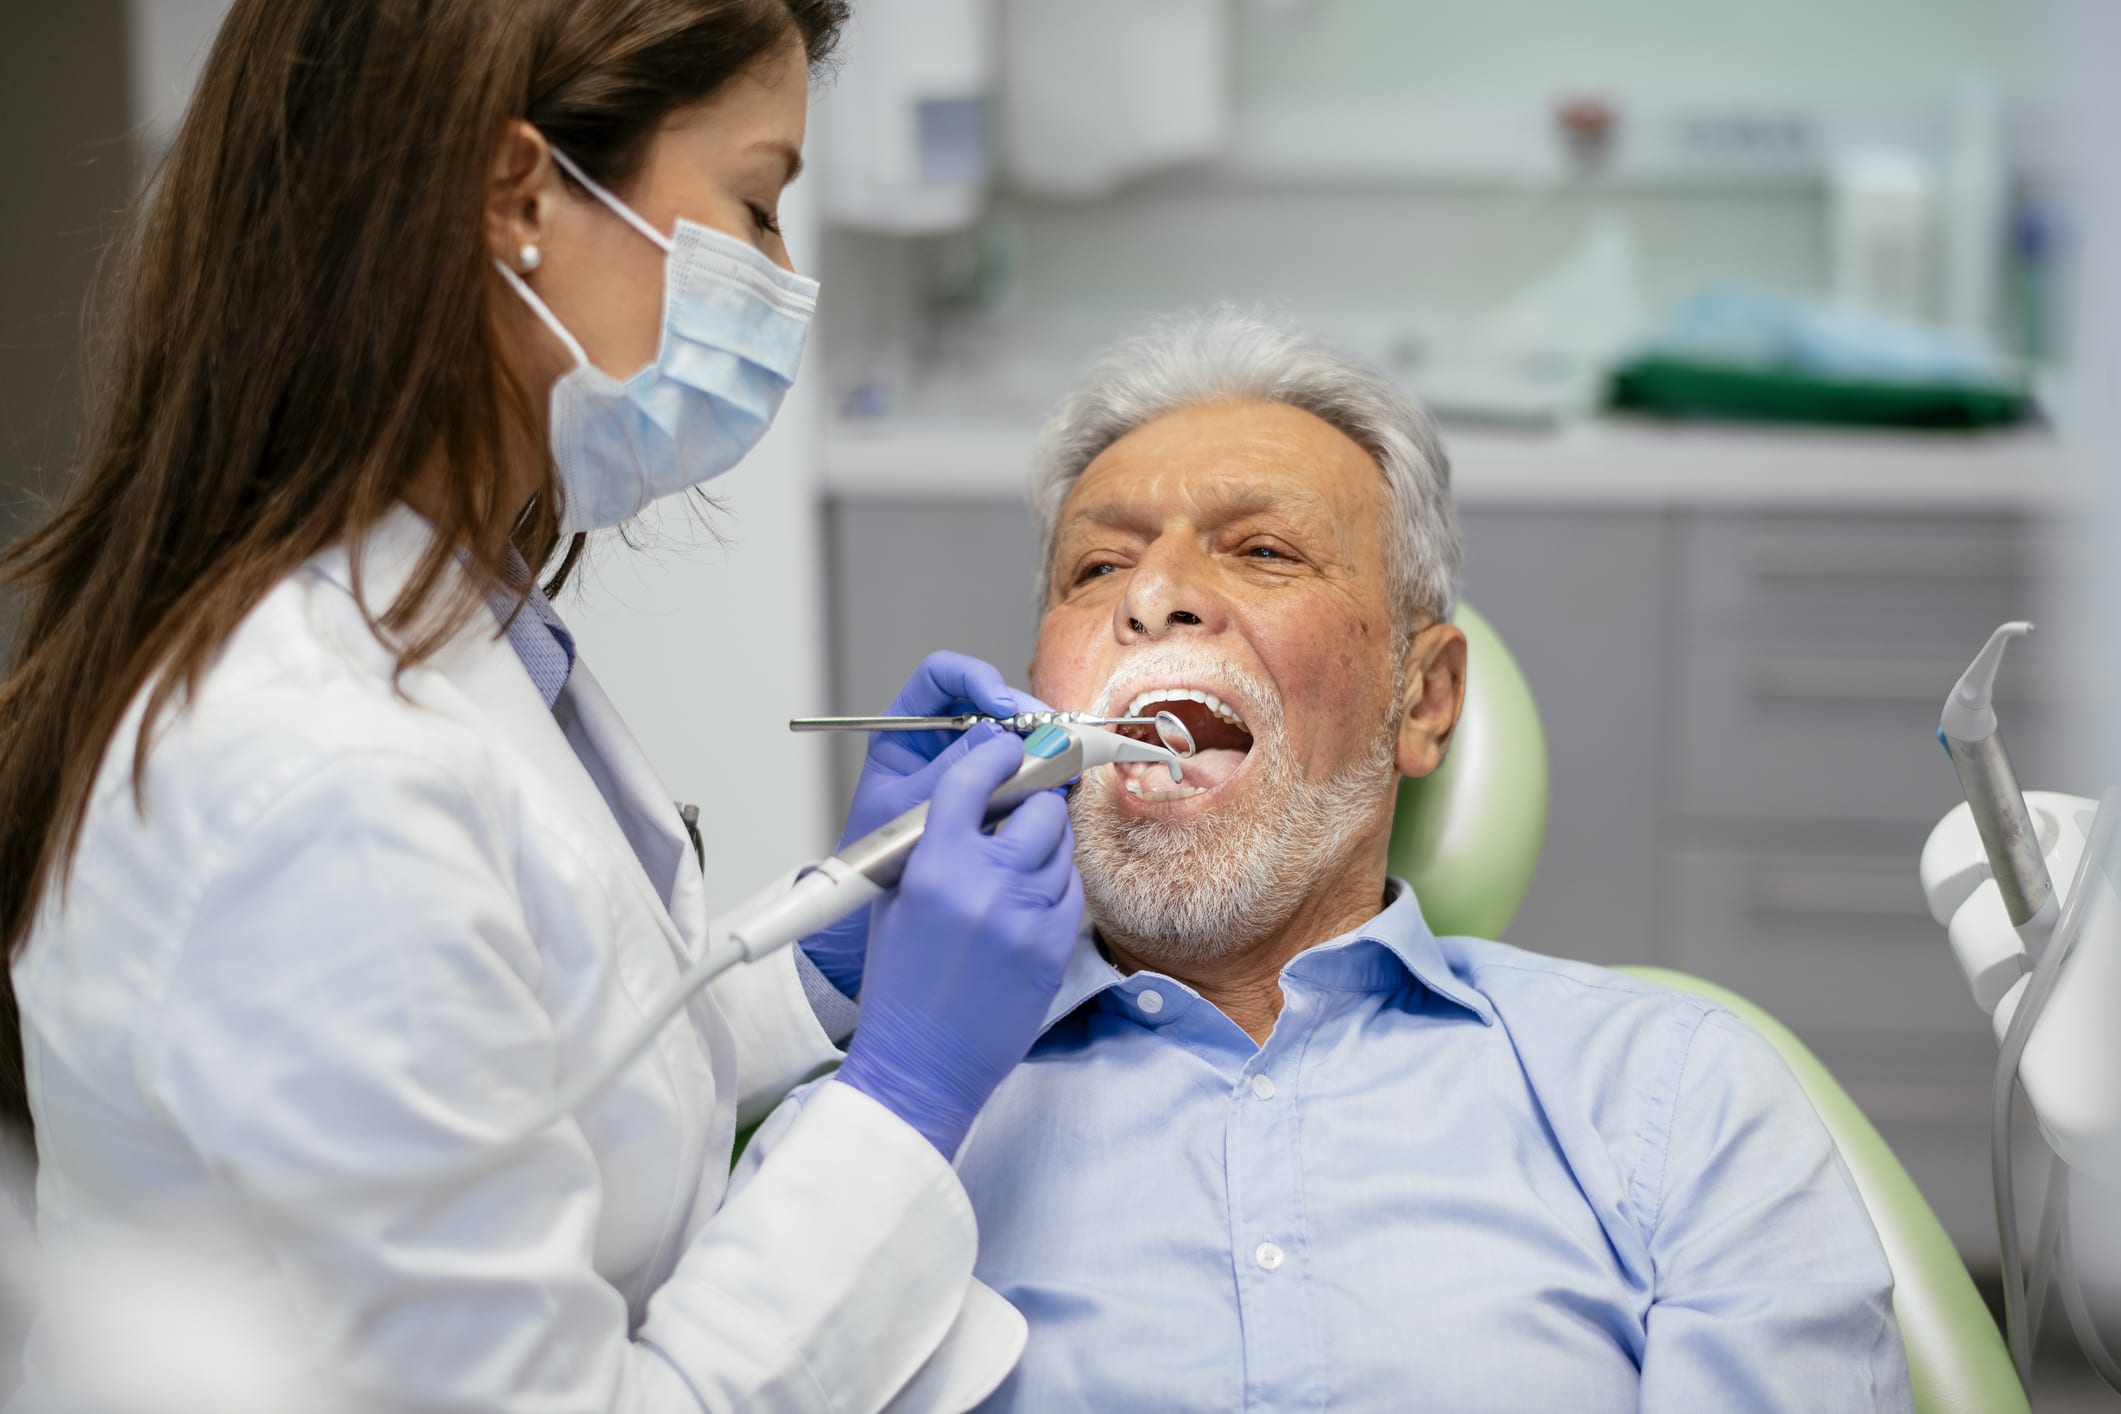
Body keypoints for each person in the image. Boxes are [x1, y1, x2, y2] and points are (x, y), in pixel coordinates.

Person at [0, 3, 1082, 1410]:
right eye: (755, 205)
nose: (779, 276)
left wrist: (830, 963)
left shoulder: (453, 628)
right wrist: (903, 1101)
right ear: (521, 197)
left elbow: (552, 1064)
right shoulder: (316, 777)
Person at [744, 307, 1916, 1411]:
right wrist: (887, 1108)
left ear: (1425, 697)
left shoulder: (1683, 1101)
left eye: (1262, 550)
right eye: (1098, 569)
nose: (1154, 598)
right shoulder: (874, 1135)